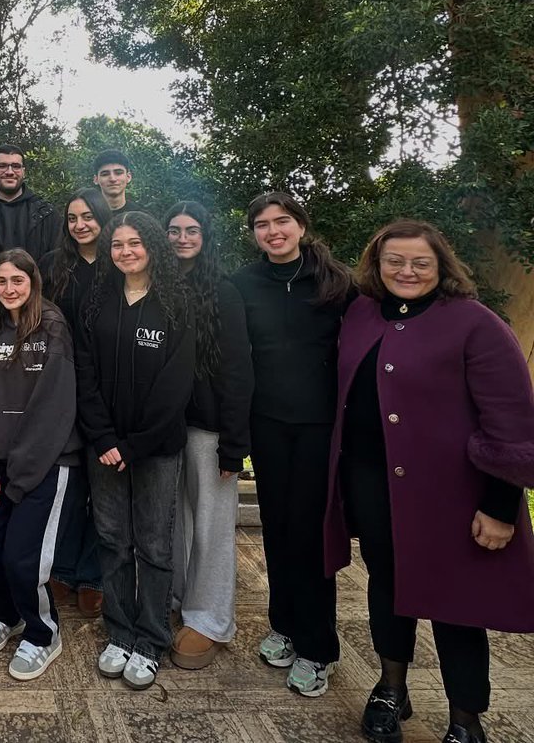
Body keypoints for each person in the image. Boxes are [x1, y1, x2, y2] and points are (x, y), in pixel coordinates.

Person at [325, 220, 534, 743]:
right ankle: (392, 689)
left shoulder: (474, 323)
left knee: (456, 602)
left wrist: (501, 504)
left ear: (441, 266)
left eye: (420, 262)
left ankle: (466, 718)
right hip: (373, 484)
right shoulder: (361, 314)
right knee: (388, 586)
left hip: (452, 495)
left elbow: (510, 421)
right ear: (376, 264)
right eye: (394, 260)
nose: (407, 271)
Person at [232, 191, 354, 698]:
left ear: (301, 226)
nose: (272, 231)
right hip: (267, 424)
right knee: (277, 530)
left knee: (310, 533)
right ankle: (283, 626)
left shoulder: (338, 284)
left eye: (282, 221)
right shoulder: (243, 283)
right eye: (262, 224)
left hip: (319, 427)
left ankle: (317, 646)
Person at [75, 211, 196, 690]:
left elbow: (175, 386)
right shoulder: (97, 300)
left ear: (153, 248)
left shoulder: (177, 303)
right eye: (118, 245)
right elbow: (84, 374)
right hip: (103, 448)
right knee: (112, 541)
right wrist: (104, 439)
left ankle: (151, 638)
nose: (126, 252)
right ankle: (119, 633)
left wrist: (135, 444)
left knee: (154, 545)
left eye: (135, 243)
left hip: (155, 449)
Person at [0, 248, 80, 682]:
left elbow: (52, 410)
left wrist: (18, 475)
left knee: (22, 560)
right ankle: (6, 613)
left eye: (18, 281)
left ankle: (41, 633)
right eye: (1, 282)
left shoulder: (51, 327)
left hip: (46, 466)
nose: (9, 289)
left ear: (33, 282)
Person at [165, 201, 254, 670]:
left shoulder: (223, 292)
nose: (182, 238)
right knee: (175, 522)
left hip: (210, 430)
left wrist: (235, 443)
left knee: (212, 528)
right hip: (166, 429)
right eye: (174, 230)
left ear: (205, 236)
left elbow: (239, 371)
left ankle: (211, 617)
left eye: (191, 231)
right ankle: (180, 599)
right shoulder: (158, 287)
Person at [40, 187, 112, 619]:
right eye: (72, 218)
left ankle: (93, 574)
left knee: (103, 491)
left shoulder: (118, 265)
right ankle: (63, 569)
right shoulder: (54, 266)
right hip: (63, 387)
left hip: (107, 390)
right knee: (69, 488)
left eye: (88, 216)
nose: (80, 224)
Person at [92, 149, 136, 213]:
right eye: (105, 174)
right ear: (96, 179)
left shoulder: (142, 217)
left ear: (128, 177)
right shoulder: (87, 216)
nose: (113, 179)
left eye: (118, 173)